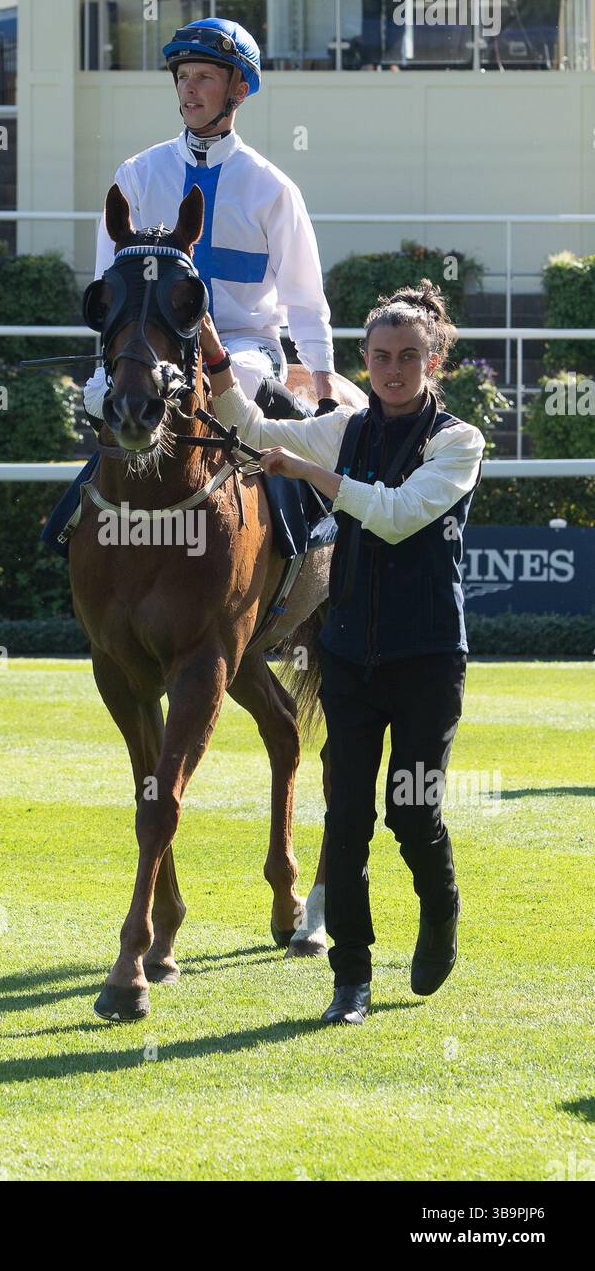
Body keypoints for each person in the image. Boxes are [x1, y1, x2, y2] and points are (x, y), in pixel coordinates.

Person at [201, 279, 485, 1025]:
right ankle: (349, 980)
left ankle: (440, 910)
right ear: (364, 359)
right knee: (347, 820)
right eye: (381, 356)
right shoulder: (344, 427)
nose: (393, 369)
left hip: (426, 659)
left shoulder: (458, 441)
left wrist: (314, 477)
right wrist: (212, 355)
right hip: (350, 655)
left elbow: (393, 517)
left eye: (408, 357)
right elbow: (252, 430)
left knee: (412, 812)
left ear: (432, 361)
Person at [82, 17, 339, 428]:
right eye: (183, 77)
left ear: (238, 91)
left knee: (230, 380)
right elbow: (107, 286)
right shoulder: (136, 174)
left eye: (204, 76)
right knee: (99, 398)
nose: (189, 87)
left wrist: (326, 393)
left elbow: (306, 301)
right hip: (154, 346)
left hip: (247, 348)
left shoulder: (272, 188)